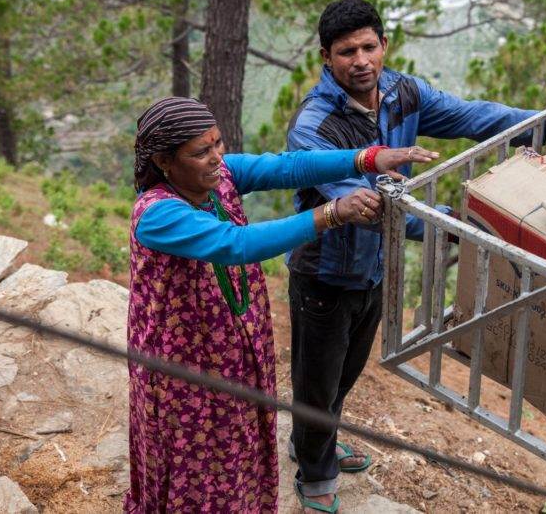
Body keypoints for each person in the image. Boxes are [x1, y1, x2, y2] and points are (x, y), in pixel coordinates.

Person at [286, 0, 540, 513]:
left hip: (375, 268)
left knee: (345, 372)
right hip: (325, 272)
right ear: (326, 57)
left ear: (384, 44)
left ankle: (312, 443)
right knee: (318, 381)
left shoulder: (403, 93)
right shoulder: (313, 127)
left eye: (369, 47)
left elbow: (474, 116)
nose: (361, 61)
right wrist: (455, 224)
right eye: (346, 52)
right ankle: (315, 472)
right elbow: (366, 208)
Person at [125, 96, 437, 513]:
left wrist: (366, 158)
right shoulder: (156, 215)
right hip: (183, 362)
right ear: (164, 161)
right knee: (196, 457)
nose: (216, 157)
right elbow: (236, 244)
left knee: (234, 445)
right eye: (201, 151)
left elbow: (288, 167)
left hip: (229, 348)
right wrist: (331, 213)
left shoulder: (220, 176)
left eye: (218, 143)